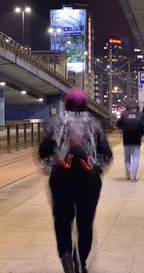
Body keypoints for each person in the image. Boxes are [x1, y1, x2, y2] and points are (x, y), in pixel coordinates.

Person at [38, 88, 113, 273]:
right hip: (89, 181)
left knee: (62, 221)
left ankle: (66, 255)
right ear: (85, 104)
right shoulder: (94, 124)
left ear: (66, 103)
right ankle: (82, 262)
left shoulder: (56, 122)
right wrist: (96, 167)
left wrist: (53, 165)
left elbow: (43, 152)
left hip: (61, 179)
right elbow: (106, 154)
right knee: (85, 223)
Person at [116, 102, 144, 182]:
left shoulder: (124, 114)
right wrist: (140, 135)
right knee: (136, 157)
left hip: (126, 138)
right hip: (136, 138)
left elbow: (118, 124)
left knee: (127, 158)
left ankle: (128, 172)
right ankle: (133, 175)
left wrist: (123, 128)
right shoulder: (140, 114)